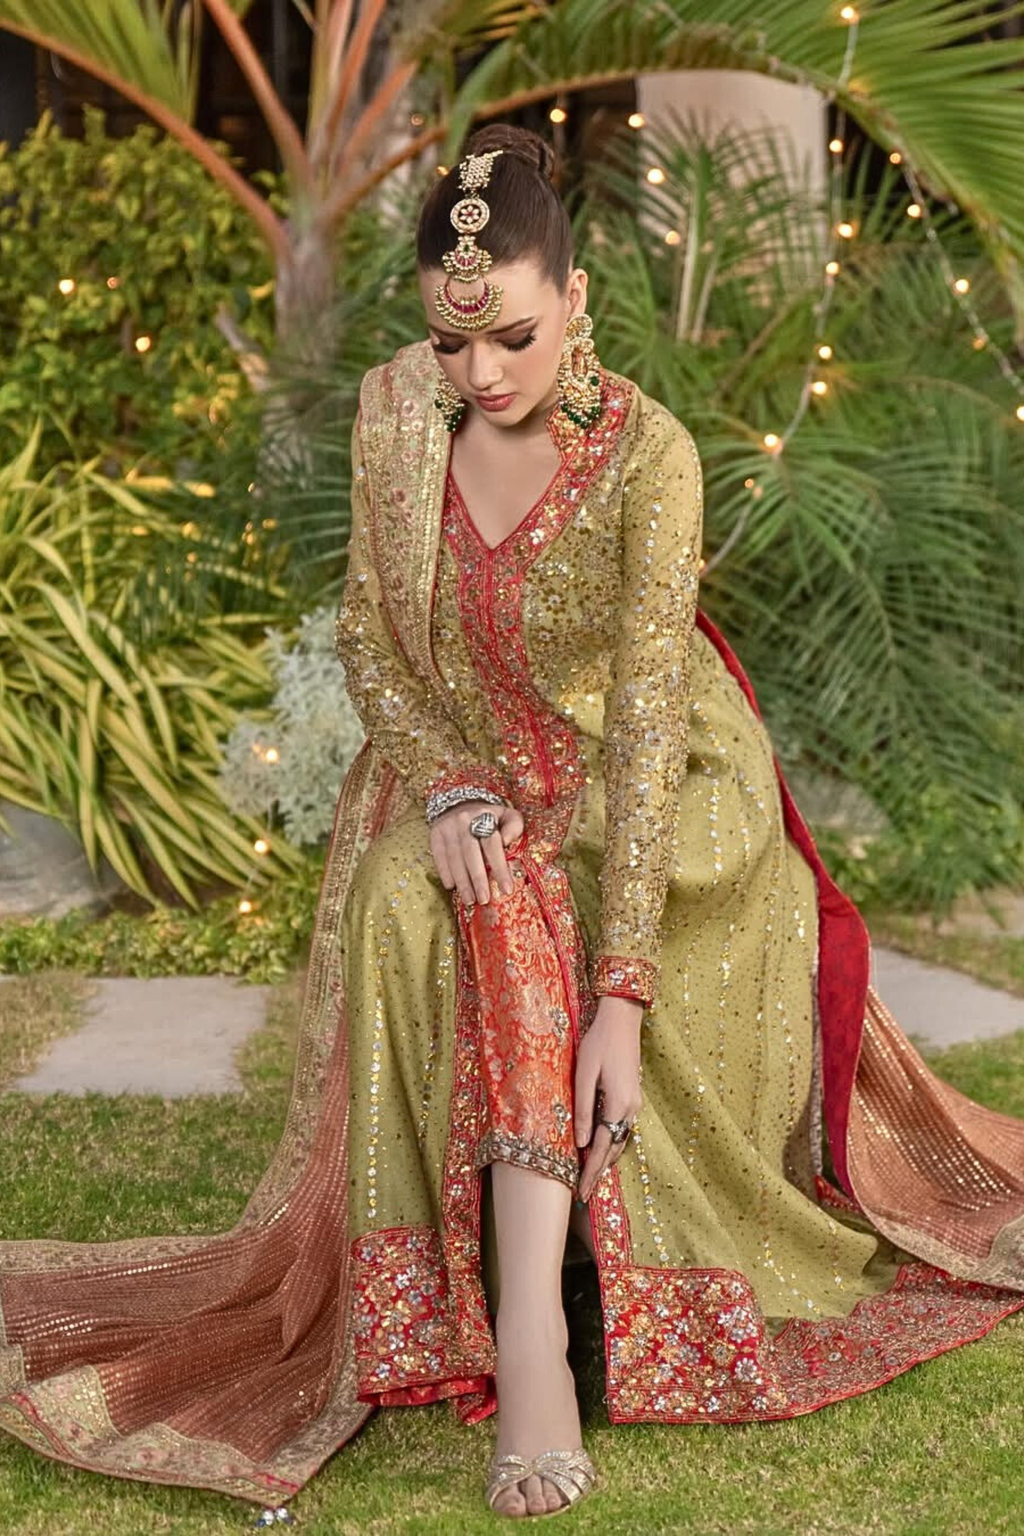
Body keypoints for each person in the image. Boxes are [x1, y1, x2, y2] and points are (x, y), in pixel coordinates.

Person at [2, 122, 1024, 1526]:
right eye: (450, 344)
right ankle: (483, 1320)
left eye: (516, 339)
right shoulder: (391, 414)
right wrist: (442, 784)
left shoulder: (648, 458)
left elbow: (659, 714)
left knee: (526, 888)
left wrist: (623, 994)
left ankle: (534, 1337)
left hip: (643, 788)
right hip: (461, 773)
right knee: (415, 894)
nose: (482, 373)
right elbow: (369, 637)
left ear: (581, 297)